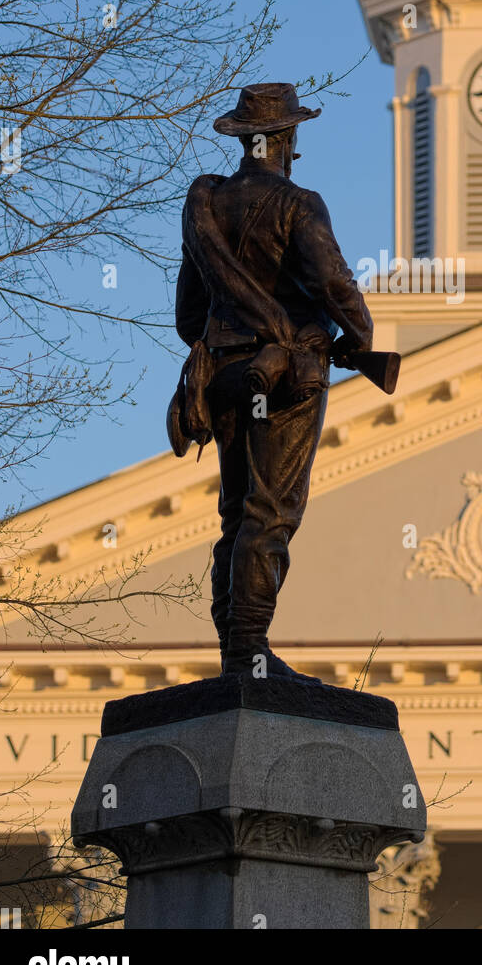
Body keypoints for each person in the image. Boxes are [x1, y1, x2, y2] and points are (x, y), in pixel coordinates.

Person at [174, 83, 374, 680]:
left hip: (222, 375)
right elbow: (335, 284)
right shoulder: (299, 204)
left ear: (243, 137)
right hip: (282, 378)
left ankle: (235, 653)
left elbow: (189, 315)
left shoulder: (206, 207)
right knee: (271, 513)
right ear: (289, 138)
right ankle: (250, 650)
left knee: (235, 516)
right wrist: (359, 338)